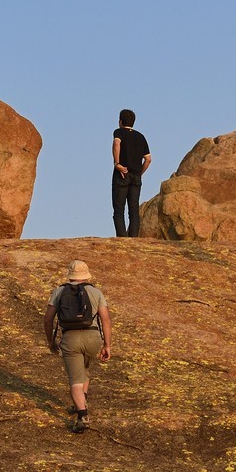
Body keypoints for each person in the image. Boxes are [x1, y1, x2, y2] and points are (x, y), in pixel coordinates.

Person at [43, 260, 112, 433]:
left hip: (70, 338)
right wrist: (107, 345)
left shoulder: (59, 291)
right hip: (93, 337)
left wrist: (50, 341)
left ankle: (82, 415)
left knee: (75, 381)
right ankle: (83, 401)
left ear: (70, 275)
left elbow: (48, 319)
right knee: (84, 369)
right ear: (86, 275)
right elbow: (105, 320)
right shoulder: (95, 292)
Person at [112, 109, 152, 237]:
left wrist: (117, 163)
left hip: (122, 174)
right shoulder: (140, 137)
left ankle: (122, 239)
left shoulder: (119, 132)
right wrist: (140, 173)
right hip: (136, 177)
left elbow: (116, 143)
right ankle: (134, 239)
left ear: (120, 121)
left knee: (119, 210)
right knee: (134, 211)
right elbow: (148, 159)